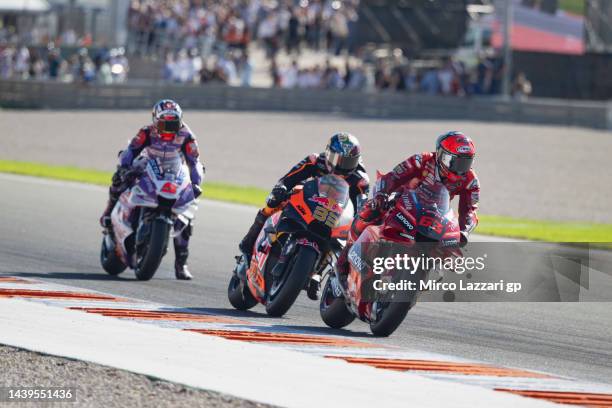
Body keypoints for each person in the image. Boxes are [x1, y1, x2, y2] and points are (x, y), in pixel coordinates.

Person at [337, 131, 480, 275]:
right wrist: (381, 196)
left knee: (451, 251)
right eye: (456, 162)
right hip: (401, 201)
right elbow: (392, 177)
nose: (461, 169)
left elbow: (470, 210)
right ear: (442, 155)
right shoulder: (422, 160)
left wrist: (464, 231)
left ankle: (424, 279)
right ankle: (344, 257)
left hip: (433, 214)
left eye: (466, 163)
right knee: (370, 210)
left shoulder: (470, 180)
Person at [99, 99, 204, 280]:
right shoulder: (146, 132)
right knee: (119, 178)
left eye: (174, 123)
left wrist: (195, 183)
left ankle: (181, 264)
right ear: (156, 121)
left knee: (188, 214)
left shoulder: (187, 135)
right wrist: (125, 166)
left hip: (173, 171)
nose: (170, 128)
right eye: (165, 123)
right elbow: (131, 150)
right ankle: (109, 212)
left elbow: (194, 162)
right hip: (148, 162)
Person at [238, 132, 370, 261]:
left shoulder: (360, 181)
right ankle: (249, 242)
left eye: (347, 162)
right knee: (274, 201)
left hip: (336, 214)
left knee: (349, 241)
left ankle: (320, 271)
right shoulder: (316, 160)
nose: (341, 166)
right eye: (337, 160)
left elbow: (361, 211)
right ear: (328, 154)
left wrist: (359, 223)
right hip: (312, 197)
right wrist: (282, 188)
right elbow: (289, 178)